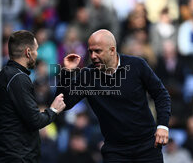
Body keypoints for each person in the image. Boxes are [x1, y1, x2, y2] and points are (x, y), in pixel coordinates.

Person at [56, 29, 171, 162]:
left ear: (112, 50)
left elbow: (161, 94)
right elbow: (63, 103)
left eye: (98, 51)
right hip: (115, 151)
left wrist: (162, 125)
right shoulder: (87, 75)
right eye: (90, 51)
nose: (93, 56)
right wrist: (66, 73)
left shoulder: (137, 65)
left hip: (147, 146)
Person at [0, 30, 66, 163]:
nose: (37, 55)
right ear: (28, 52)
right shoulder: (19, 79)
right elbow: (35, 120)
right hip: (17, 157)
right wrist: (53, 110)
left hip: (4, 154)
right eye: (36, 50)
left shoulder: (2, 75)